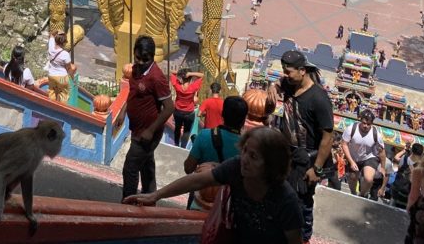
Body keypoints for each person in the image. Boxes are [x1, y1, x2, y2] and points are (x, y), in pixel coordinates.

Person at [126, 127, 304, 244]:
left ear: (271, 165)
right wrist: (155, 195)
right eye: (245, 151)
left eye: (254, 157)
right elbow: (198, 180)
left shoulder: (285, 199)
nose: (245, 160)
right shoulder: (236, 168)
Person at [272, 50, 334, 243]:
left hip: (308, 160)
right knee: (282, 197)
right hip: (288, 155)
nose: (285, 75)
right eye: (284, 70)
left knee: (302, 204)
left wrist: (317, 168)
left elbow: (328, 137)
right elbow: (279, 82)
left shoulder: (318, 98)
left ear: (302, 71)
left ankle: (303, 239)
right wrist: (272, 86)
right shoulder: (290, 84)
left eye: (288, 71)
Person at [114, 36, 173, 200]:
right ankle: (149, 197)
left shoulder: (157, 78)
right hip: (137, 128)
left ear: (153, 57)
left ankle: (128, 203)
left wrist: (150, 130)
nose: (140, 62)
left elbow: (169, 107)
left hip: (147, 133)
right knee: (147, 165)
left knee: (130, 168)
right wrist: (123, 111)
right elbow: (132, 94)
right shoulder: (135, 70)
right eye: (137, 58)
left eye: (145, 60)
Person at [185, 95, 248, 176]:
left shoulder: (204, 136)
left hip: (204, 185)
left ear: (223, 114)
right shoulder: (247, 147)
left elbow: (188, 168)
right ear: (244, 120)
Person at [341, 108, 385, 199]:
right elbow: (344, 144)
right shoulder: (351, 129)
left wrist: (383, 168)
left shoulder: (376, 134)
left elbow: (382, 152)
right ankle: (353, 193)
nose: (365, 126)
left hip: (369, 157)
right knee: (353, 177)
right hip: (353, 157)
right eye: (364, 123)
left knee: (368, 179)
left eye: (368, 124)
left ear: (372, 124)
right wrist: (351, 161)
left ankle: (362, 194)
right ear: (360, 120)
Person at [170, 67, 201, 148]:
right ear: (190, 78)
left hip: (178, 111)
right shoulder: (193, 87)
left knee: (177, 129)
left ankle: (176, 145)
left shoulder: (178, 86)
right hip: (189, 113)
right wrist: (190, 74)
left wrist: (181, 73)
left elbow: (172, 72)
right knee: (186, 131)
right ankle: (183, 147)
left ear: (182, 78)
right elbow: (202, 75)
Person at [45, 31, 72, 103]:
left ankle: (51, 108)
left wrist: (57, 31)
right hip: (62, 77)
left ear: (55, 40)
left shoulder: (50, 47)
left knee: (51, 92)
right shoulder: (65, 54)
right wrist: (72, 77)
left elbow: (51, 35)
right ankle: (62, 110)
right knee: (64, 95)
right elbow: (69, 68)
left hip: (51, 75)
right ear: (64, 43)